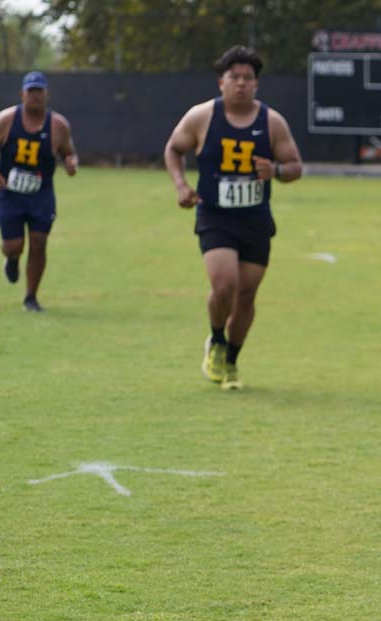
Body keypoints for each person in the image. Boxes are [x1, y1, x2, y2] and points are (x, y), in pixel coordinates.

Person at [163, 44, 303, 391]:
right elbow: (174, 149)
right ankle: (216, 340)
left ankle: (231, 361)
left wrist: (277, 170)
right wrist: (181, 185)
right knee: (224, 285)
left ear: (256, 83)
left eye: (248, 78)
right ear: (221, 82)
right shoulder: (201, 117)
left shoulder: (271, 122)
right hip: (215, 216)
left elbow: (295, 167)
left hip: (255, 218)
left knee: (246, 296)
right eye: (234, 77)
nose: (241, 83)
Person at [0, 71, 78, 312]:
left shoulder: (58, 125)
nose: (35, 96)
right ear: (22, 94)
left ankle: (31, 297)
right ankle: (11, 259)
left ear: (47, 94)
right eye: (31, 91)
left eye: (39, 91)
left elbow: (68, 152)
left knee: (39, 242)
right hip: (10, 194)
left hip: (41, 194)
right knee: (14, 245)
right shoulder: (7, 119)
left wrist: (70, 163)